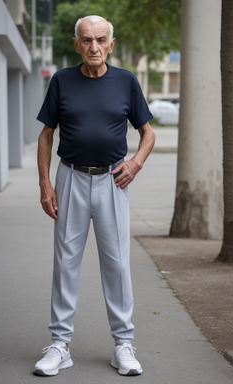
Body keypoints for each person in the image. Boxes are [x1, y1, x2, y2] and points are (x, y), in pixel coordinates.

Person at [34, 15, 155, 377]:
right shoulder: (62, 81)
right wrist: (45, 184)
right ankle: (60, 344)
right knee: (66, 263)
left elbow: (147, 133)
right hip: (70, 177)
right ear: (76, 45)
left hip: (112, 181)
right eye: (87, 40)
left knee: (117, 263)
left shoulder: (126, 82)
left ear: (111, 44)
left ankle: (123, 345)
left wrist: (135, 164)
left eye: (101, 40)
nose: (94, 47)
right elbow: (45, 136)